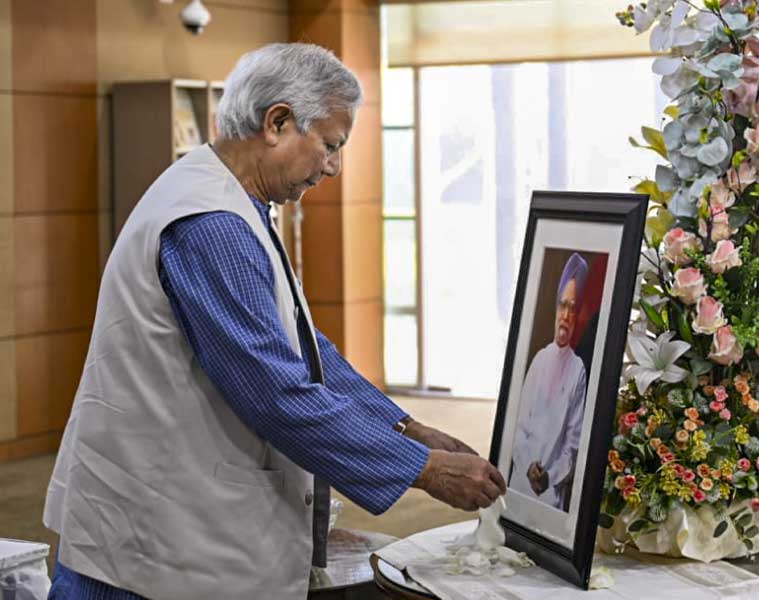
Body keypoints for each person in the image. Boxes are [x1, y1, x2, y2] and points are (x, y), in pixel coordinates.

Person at [43, 43, 505, 600]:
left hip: (168, 532)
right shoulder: (211, 225)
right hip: (145, 552)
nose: (335, 166)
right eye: (331, 145)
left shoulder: (232, 199)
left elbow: (306, 351)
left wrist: (405, 427)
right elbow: (277, 393)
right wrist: (424, 469)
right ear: (277, 122)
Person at [509, 252, 588, 511]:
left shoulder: (578, 370)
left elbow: (573, 443)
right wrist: (528, 465)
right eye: (562, 305)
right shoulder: (539, 360)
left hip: (551, 492)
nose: (566, 315)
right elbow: (518, 426)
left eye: (572, 308)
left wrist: (550, 475)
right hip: (520, 481)